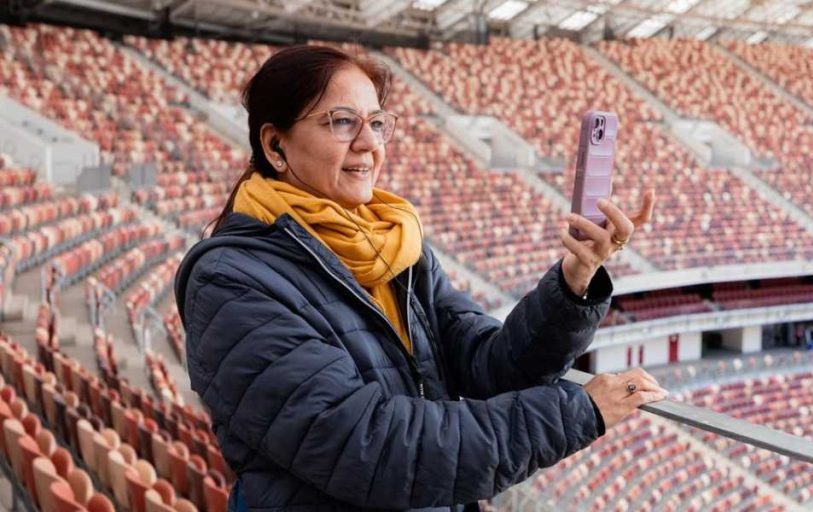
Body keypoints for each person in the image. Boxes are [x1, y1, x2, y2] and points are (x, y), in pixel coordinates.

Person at [173, 44, 666, 511]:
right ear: (275, 144)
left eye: (376, 123)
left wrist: (575, 278)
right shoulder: (229, 282)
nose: (368, 144)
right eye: (341, 122)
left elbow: (490, 368)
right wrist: (578, 413)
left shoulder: (396, 245)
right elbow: (371, 446)